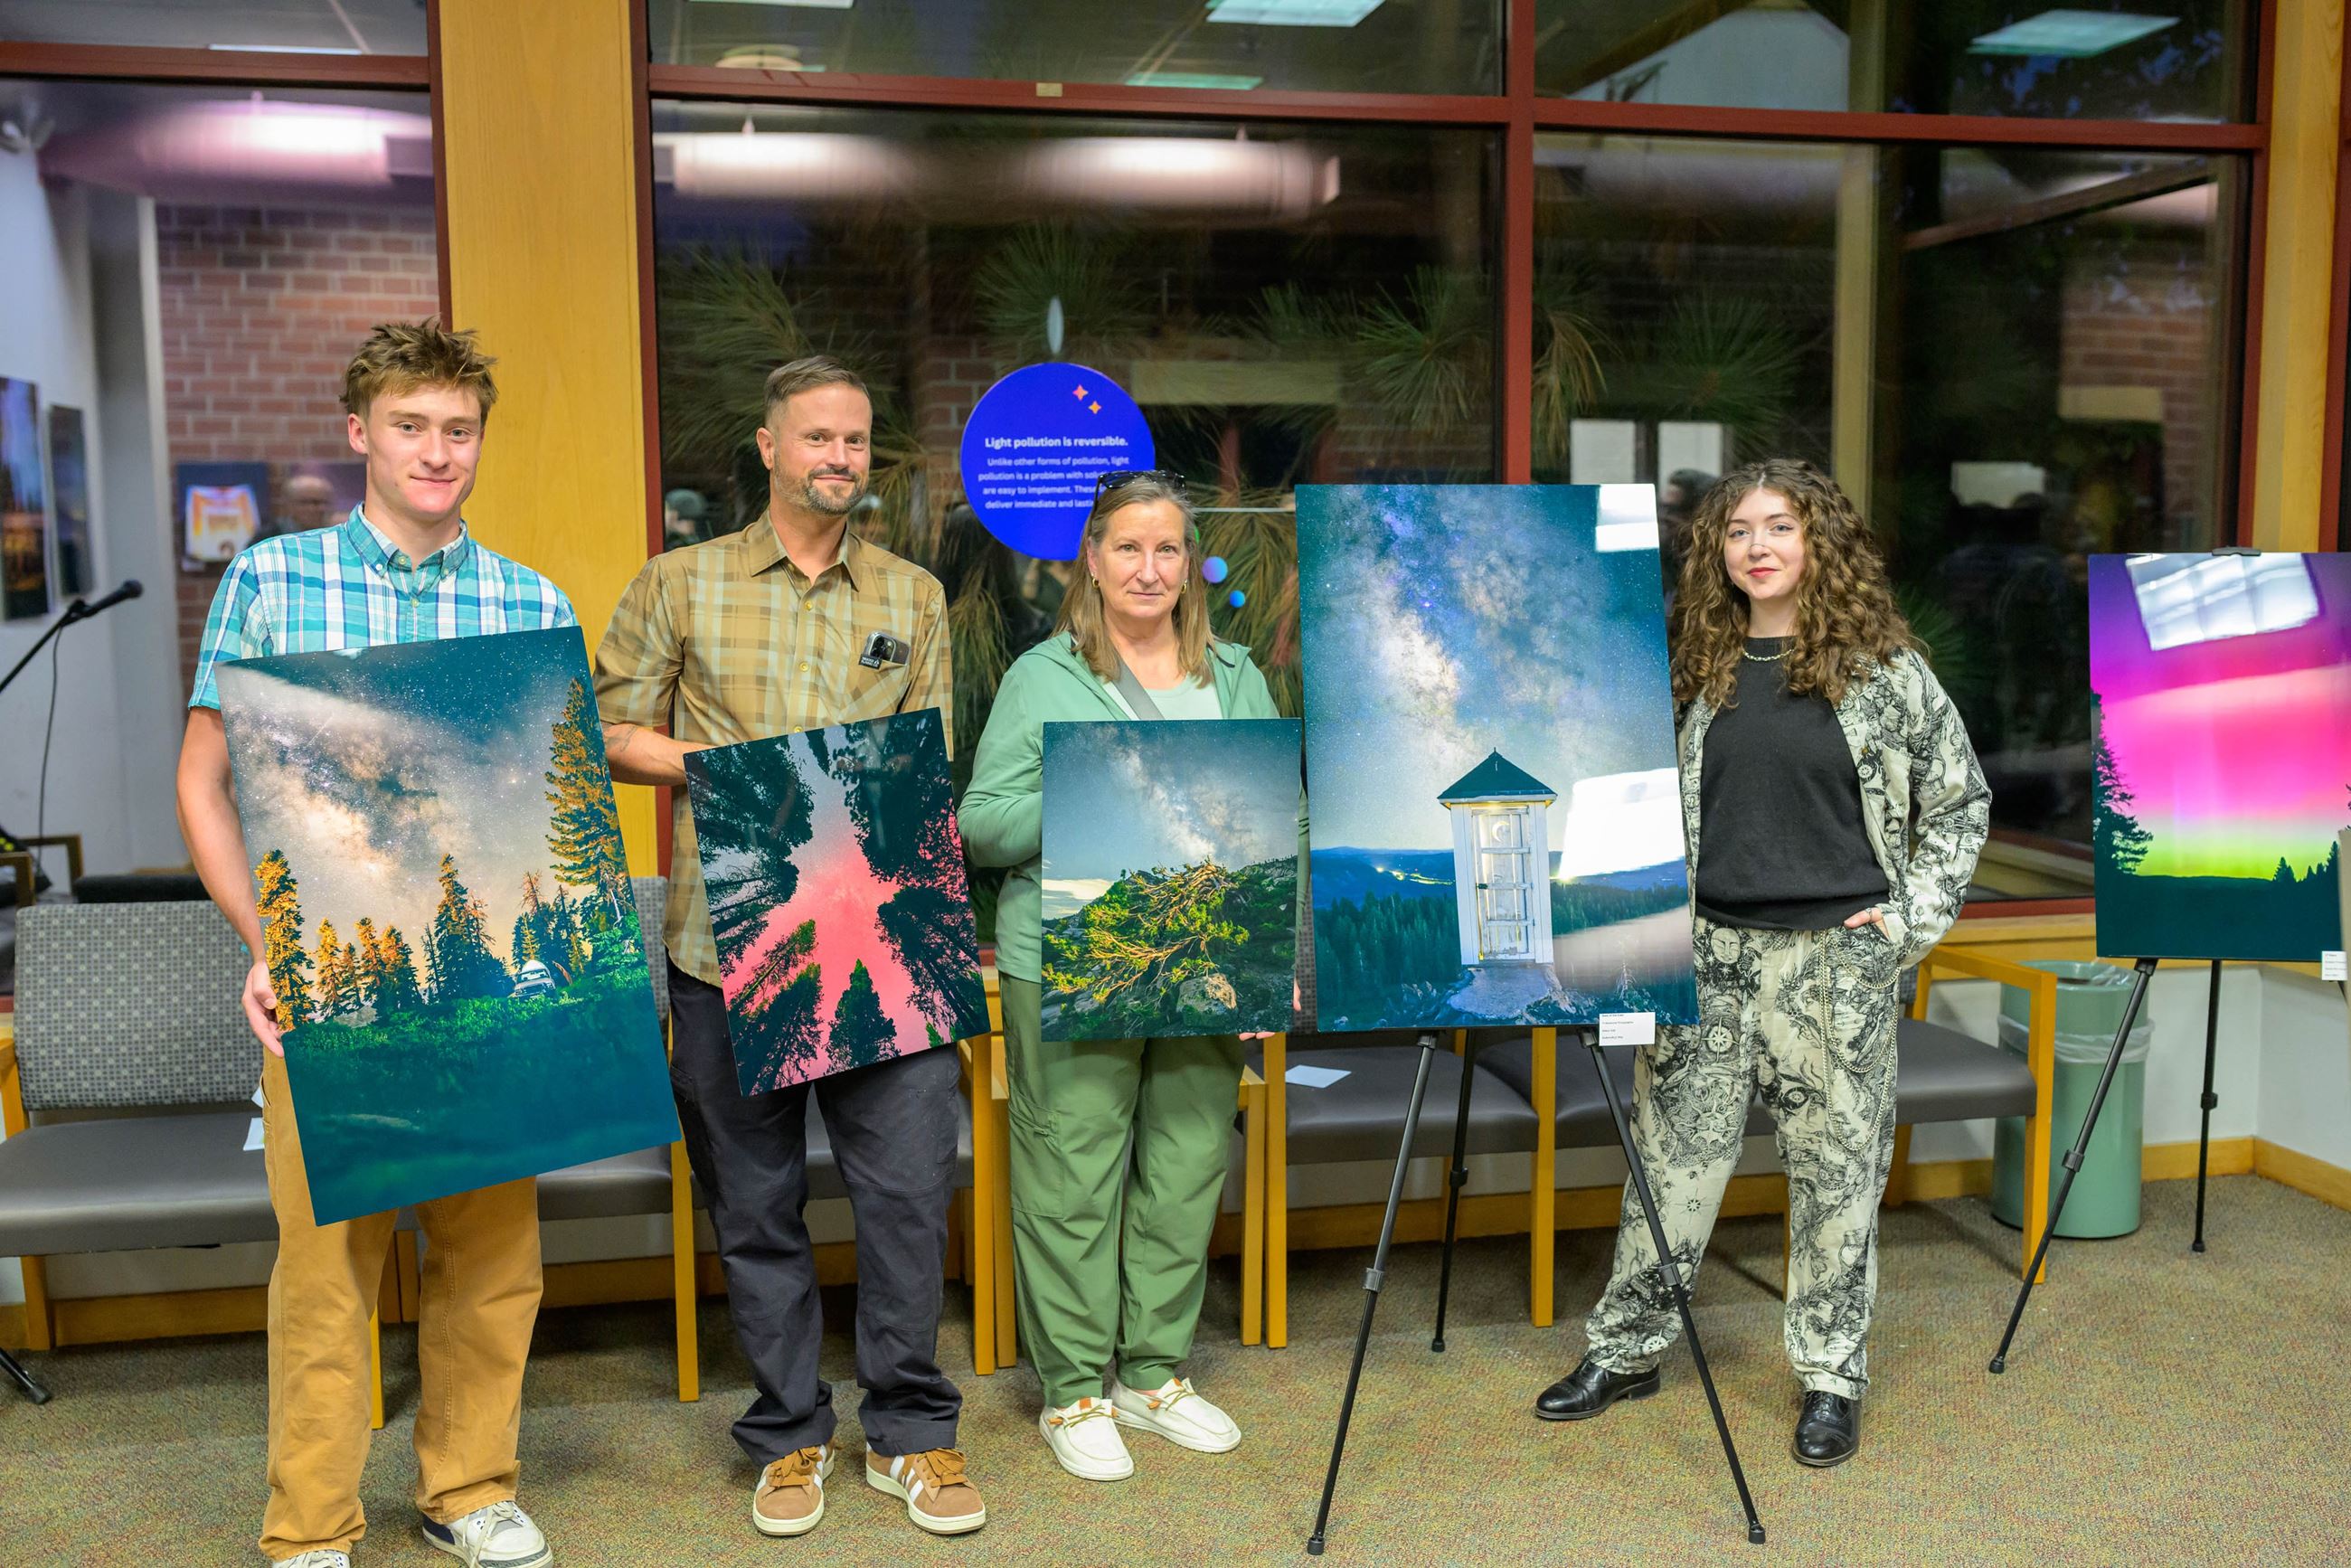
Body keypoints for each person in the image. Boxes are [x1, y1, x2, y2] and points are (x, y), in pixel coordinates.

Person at [175, 320, 571, 1568]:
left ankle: (468, 1487)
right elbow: (202, 784)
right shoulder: (273, 580)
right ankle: (311, 1525)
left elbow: (544, 799)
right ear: (361, 433)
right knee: (327, 1260)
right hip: (328, 976)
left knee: (492, 1253)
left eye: (458, 430)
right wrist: (265, 941)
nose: (436, 450)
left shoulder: (530, 596)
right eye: (411, 425)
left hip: (486, 967)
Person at [593, 355, 985, 1539]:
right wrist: (737, 775)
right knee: (755, 1204)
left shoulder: (912, 596)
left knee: (910, 1197)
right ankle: (789, 1432)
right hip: (727, 943)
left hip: (885, 935)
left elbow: (931, 763)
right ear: (768, 447)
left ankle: (912, 1432)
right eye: (816, 436)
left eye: (857, 440)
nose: (839, 457)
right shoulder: (680, 583)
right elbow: (608, 728)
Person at [1533, 458, 1988, 1469]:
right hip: (1704, 956)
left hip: (1835, 966)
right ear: (1716, 551)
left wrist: (1906, 924)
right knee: (1669, 1166)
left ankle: (1830, 1376)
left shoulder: (1882, 669)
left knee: (1835, 1179)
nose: (1756, 547)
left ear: (1817, 541)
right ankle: (1628, 1347)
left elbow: (1957, 801)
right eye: (1736, 530)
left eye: (1777, 526)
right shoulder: (1689, 664)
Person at [959, 469, 1286, 1482]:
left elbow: (1281, 814)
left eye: (1167, 550)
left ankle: (1152, 1374)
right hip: (1071, 953)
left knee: (1188, 1163)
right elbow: (979, 826)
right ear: (1091, 562)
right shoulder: (1042, 678)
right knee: (1072, 1170)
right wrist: (1096, 785)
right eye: (1127, 549)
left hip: (1207, 957)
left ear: (1188, 565)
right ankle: (1072, 1392)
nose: (1148, 569)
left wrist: (1279, 963)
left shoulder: (1236, 678)